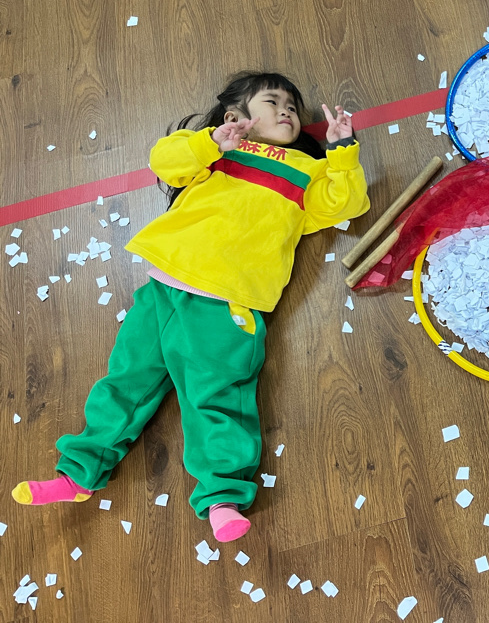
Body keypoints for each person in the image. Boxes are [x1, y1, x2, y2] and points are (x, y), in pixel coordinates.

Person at [12, 72, 370, 543]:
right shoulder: (216, 153)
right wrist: (212, 142)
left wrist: (342, 151)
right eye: (273, 101)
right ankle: (79, 473)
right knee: (125, 381)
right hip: (162, 288)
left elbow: (346, 204)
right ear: (236, 116)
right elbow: (165, 161)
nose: (287, 111)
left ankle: (222, 495)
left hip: (227, 303)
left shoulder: (306, 169)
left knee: (215, 398)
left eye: (292, 107)